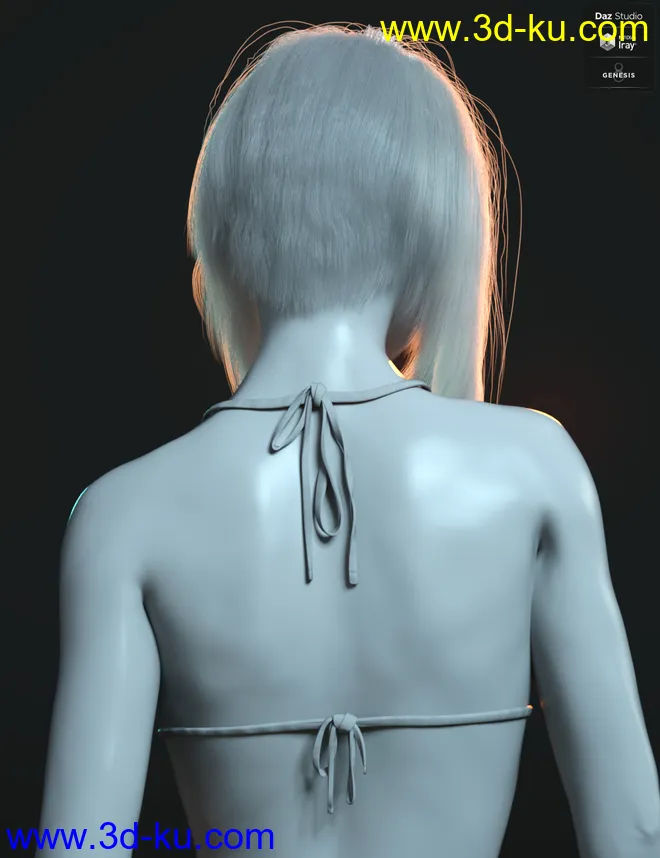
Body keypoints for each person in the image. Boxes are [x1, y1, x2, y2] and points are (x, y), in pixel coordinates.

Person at [39, 24, 660, 858]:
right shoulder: (534, 469)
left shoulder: (123, 515)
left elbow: (77, 845)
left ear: (229, 223)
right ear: (432, 226)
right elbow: (634, 832)